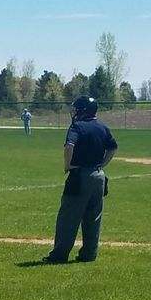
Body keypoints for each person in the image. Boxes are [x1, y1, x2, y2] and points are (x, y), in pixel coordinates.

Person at [43, 96, 118, 264]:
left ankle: (59, 255)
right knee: (94, 217)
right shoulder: (103, 127)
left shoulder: (77, 126)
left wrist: (68, 165)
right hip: (99, 176)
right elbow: (113, 148)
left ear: (83, 111)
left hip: (80, 176)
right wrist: (102, 164)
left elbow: (69, 146)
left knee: (68, 217)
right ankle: (89, 254)